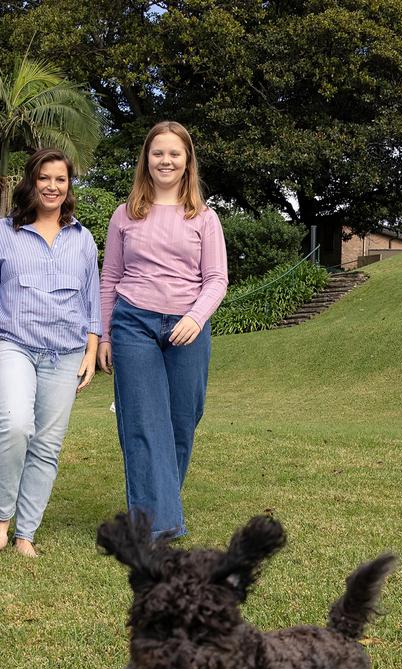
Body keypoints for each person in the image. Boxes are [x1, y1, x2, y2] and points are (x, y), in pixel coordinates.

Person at [97, 121, 228, 539]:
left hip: (187, 328)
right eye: (158, 153)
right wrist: (104, 336)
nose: (165, 160)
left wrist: (195, 317)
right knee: (142, 421)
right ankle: (156, 525)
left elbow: (217, 279)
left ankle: (159, 507)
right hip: (133, 322)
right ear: (146, 160)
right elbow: (109, 278)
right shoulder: (125, 215)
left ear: (187, 160)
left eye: (174, 153)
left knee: (182, 421)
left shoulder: (204, 218)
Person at [0, 149, 101, 558]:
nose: (52, 186)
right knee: (14, 425)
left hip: (66, 351)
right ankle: (0, 517)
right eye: (44, 178)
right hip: (13, 343)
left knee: (47, 444)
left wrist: (91, 350)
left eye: (60, 179)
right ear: (31, 182)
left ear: (69, 186)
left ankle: (26, 533)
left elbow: (93, 300)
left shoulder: (82, 238)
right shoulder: (2, 233)